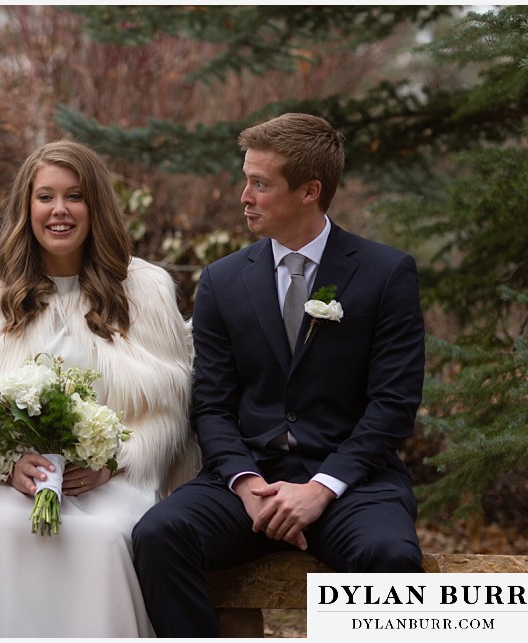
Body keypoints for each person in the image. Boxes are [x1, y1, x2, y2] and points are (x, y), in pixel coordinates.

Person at [132, 113, 426, 636]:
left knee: (390, 558)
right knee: (159, 534)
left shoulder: (386, 274)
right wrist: (246, 483)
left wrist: (321, 488)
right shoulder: (222, 281)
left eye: (260, 183)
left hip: (351, 485)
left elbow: (393, 406)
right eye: (246, 178)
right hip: (249, 482)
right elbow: (214, 406)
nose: (244, 195)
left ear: (310, 190)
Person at [0, 140, 197, 637]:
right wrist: (4, 462)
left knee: (102, 535)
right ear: (25, 206)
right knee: (3, 530)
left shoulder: (145, 288)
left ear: (94, 205)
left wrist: (114, 461)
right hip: (6, 481)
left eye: (74, 196)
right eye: (45, 197)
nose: (60, 210)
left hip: (110, 480)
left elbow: (168, 408)